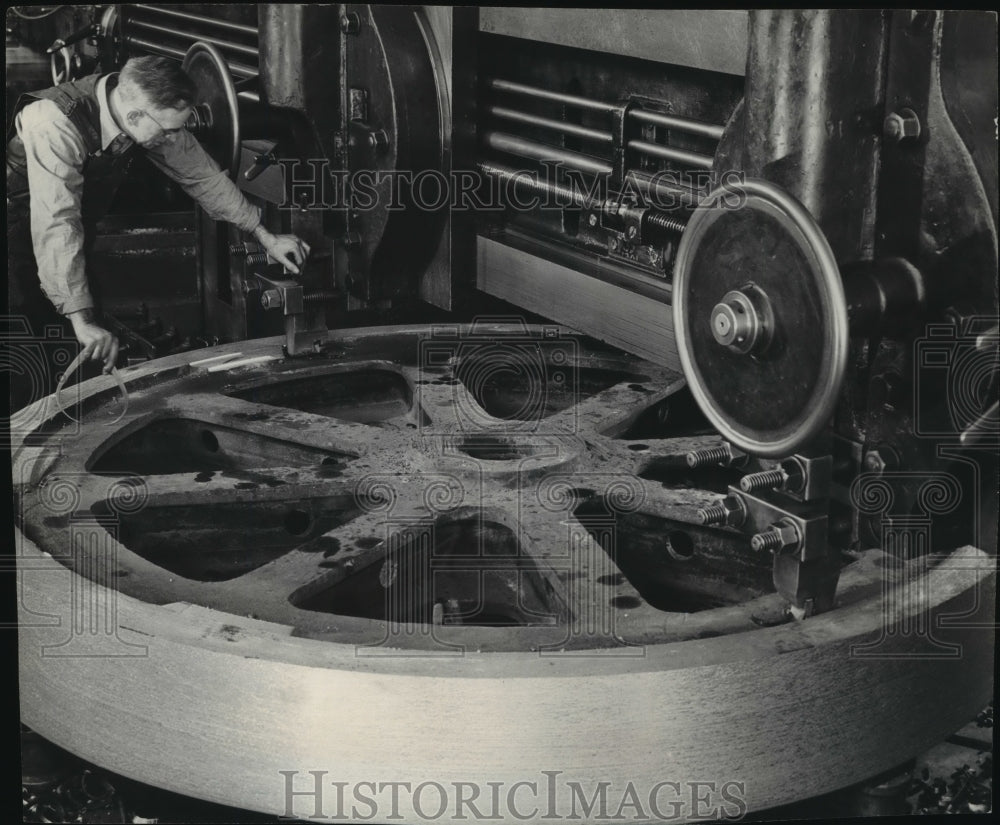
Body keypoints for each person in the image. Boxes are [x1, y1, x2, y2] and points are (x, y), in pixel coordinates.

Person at [6, 55, 310, 396]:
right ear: (134, 115)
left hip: (65, 247)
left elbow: (202, 175)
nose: (173, 139)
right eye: (168, 130)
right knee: (26, 364)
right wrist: (81, 320)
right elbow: (56, 225)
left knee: (79, 358)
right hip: (15, 245)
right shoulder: (54, 123)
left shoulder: (142, 110)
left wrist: (264, 235)